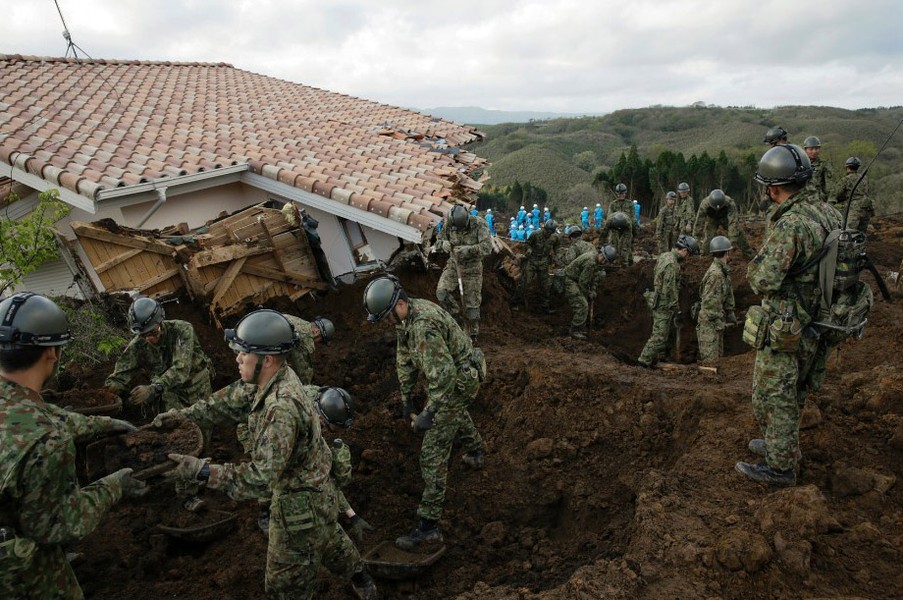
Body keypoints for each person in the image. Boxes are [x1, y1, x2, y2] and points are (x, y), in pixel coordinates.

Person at [160, 309, 377, 599]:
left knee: (283, 588)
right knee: (330, 537)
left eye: (243, 354)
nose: (237, 358)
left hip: (299, 508)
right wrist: (181, 418)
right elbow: (221, 406)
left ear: (268, 359)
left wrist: (202, 471)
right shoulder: (269, 379)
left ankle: (358, 579)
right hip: (319, 492)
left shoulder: (282, 409)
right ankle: (362, 578)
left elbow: (261, 478)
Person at [0, 292, 146, 599]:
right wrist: (114, 486)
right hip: (17, 571)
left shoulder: (16, 404)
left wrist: (105, 424)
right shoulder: (48, 442)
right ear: (52, 352)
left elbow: (38, 416)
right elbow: (59, 525)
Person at [363, 276, 485, 551]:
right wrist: (406, 400)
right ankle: (476, 451)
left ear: (401, 304)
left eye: (386, 318)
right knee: (452, 414)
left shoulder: (423, 327)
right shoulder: (405, 319)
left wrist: (428, 412)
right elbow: (405, 359)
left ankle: (428, 527)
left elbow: (444, 378)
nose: (386, 323)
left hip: (460, 380)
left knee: (432, 454)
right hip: (450, 380)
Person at [735, 144, 828, 488]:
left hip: (789, 321)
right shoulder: (824, 211)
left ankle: (780, 469)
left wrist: (755, 265)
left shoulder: (791, 225)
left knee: (773, 394)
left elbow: (763, 278)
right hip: (815, 318)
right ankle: (781, 446)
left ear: (773, 188)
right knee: (795, 389)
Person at [105, 296, 214, 413]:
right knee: (174, 425)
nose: (149, 339)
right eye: (143, 335)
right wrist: (107, 395)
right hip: (169, 393)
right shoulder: (137, 345)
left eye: (152, 332)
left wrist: (153, 388)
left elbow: (181, 369)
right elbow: (120, 375)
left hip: (196, 386)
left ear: (160, 322)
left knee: (202, 421)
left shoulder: (182, 330)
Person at [315, 388, 374, 544]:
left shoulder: (324, 397)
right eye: (335, 428)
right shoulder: (309, 436)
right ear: (323, 419)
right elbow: (326, 481)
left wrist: (353, 517)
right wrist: (352, 516)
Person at [637, 234, 699, 367]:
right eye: (689, 254)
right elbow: (669, 289)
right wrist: (676, 309)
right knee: (659, 337)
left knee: (667, 333)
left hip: (659, 300)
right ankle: (643, 361)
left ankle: (661, 357)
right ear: (685, 250)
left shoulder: (665, 256)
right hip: (664, 305)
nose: (688, 258)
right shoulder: (672, 265)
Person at [434, 204, 493, 339]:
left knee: (472, 306)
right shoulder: (449, 224)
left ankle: (472, 332)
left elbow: (487, 247)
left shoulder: (479, 224)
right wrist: (442, 244)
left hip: (472, 269)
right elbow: (438, 242)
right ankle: (456, 318)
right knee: (442, 292)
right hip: (454, 266)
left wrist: (468, 250)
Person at [695, 236, 737, 362]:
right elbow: (709, 304)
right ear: (726, 253)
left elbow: (728, 294)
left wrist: (730, 312)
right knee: (711, 363)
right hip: (709, 324)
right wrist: (719, 318)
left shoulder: (722, 272)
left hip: (715, 323)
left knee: (718, 360)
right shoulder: (716, 275)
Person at [565, 245, 616, 339]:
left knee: (584, 300)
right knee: (583, 304)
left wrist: (592, 290)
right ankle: (574, 330)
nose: (603, 262)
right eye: (603, 259)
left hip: (578, 280)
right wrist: (589, 293)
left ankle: (581, 326)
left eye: (606, 261)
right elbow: (583, 282)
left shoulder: (597, 262)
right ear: (601, 253)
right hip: (570, 280)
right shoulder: (591, 262)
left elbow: (594, 278)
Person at [513, 219, 561, 313]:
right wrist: (529, 249)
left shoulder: (555, 237)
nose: (548, 233)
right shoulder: (536, 234)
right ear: (545, 229)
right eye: (547, 231)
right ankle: (515, 302)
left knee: (545, 285)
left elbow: (557, 247)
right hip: (532, 260)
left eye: (550, 232)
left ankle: (545, 305)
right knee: (525, 282)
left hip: (544, 262)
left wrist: (556, 256)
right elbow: (527, 244)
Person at [693, 189, 754, 259]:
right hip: (711, 219)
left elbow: (733, 222)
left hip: (725, 218)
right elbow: (699, 221)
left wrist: (732, 240)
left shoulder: (730, 203)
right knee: (709, 236)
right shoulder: (704, 204)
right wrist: (696, 236)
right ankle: (705, 256)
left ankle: (748, 253)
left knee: (739, 233)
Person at [830, 156, 873, 234]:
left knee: (848, 232)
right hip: (867, 207)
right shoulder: (865, 178)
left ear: (847, 167)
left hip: (854, 208)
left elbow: (835, 194)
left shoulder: (846, 179)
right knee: (861, 233)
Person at [603, 183, 639, 265]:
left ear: (625, 193)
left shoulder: (630, 204)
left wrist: (635, 230)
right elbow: (609, 217)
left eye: (623, 193)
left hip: (627, 229)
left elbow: (633, 218)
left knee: (626, 247)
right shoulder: (613, 204)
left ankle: (626, 264)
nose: (621, 195)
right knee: (613, 247)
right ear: (617, 194)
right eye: (620, 193)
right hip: (615, 230)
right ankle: (613, 264)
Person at [801, 136, 834, 204]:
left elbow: (830, 186)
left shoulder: (824, 164)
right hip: (802, 199)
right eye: (811, 149)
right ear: (805, 150)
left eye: (817, 148)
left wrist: (830, 202)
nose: (814, 151)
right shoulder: (800, 164)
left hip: (818, 201)